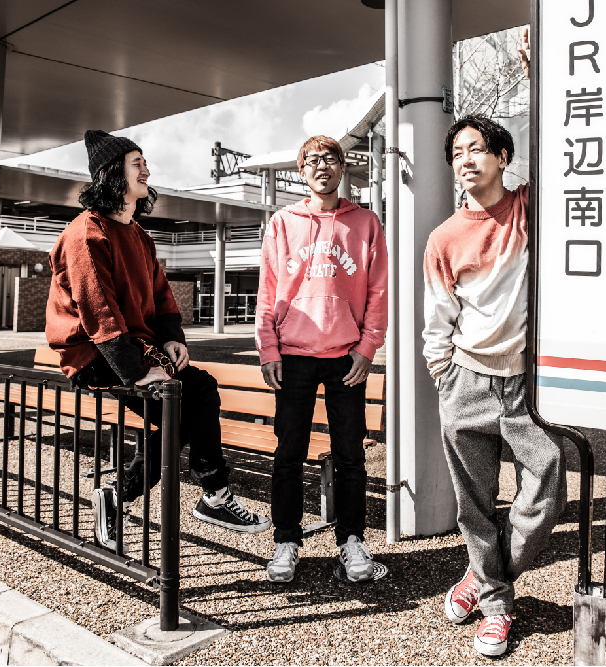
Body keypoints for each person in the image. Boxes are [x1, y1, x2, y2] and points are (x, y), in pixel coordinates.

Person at [46, 130, 270, 550]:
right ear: (112, 174)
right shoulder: (85, 234)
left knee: (190, 402)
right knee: (189, 400)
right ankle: (210, 494)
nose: (146, 170)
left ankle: (126, 495)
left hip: (135, 349)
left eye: (145, 162)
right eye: (137, 163)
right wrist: (136, 372)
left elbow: (162, 295)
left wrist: (171, 338)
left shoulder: (140, 235)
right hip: (94, 354)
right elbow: (98, 311)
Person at [422, 112, 567, 657]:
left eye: (476, 148)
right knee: (474, 504)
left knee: (548, 485)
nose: (465, 160)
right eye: (457, 153)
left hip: (527, 383)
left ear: (503, 157)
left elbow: (559, 159)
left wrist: (539, 77)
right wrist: (443, 374)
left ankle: (483, 577)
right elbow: (438, 318)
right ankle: (497, 606)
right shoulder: (443, 238)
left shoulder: (529, 207)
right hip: (465, 381)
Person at [256, 135, 388, 583]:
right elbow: (267, 290)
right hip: (292, 356)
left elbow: (378, 290)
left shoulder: (365, 222)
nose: (322, 167)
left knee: (350, 454)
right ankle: (286, 541)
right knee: (288, 453)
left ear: (342, 168)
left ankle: (352, 540)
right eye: (312, 160)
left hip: (346, 358)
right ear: (301, 171)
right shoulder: (283, 223)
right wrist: (268, 348)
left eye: (330, 159)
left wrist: (367, 347)